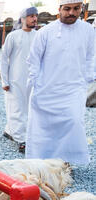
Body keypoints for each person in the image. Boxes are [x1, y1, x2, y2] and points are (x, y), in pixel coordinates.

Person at [26, 0, 94, 165]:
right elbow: (33, 59)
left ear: (81, 9)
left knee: (73, 122)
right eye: (67, 9)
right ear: (59, 10)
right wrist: (35, 83)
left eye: (76, 9)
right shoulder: (46, 31)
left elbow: (91, 56)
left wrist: (88, 77)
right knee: (43, 128)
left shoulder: (88, 30)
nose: (71, 13)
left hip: (74, 89)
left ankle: (66, 162)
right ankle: (41, 164)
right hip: (47, 89)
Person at [0, 7, 38, 154]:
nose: (34, 19)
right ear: (23, 19)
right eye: (31, 16)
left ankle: (9, 130)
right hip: (15, 79)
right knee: (16, 109)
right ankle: (22, 140)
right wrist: (5, 81)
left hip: (32, 80)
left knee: (29, 108)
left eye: (35, 16)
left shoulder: (38, 35)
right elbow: (4, 59)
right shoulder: (13, 36)